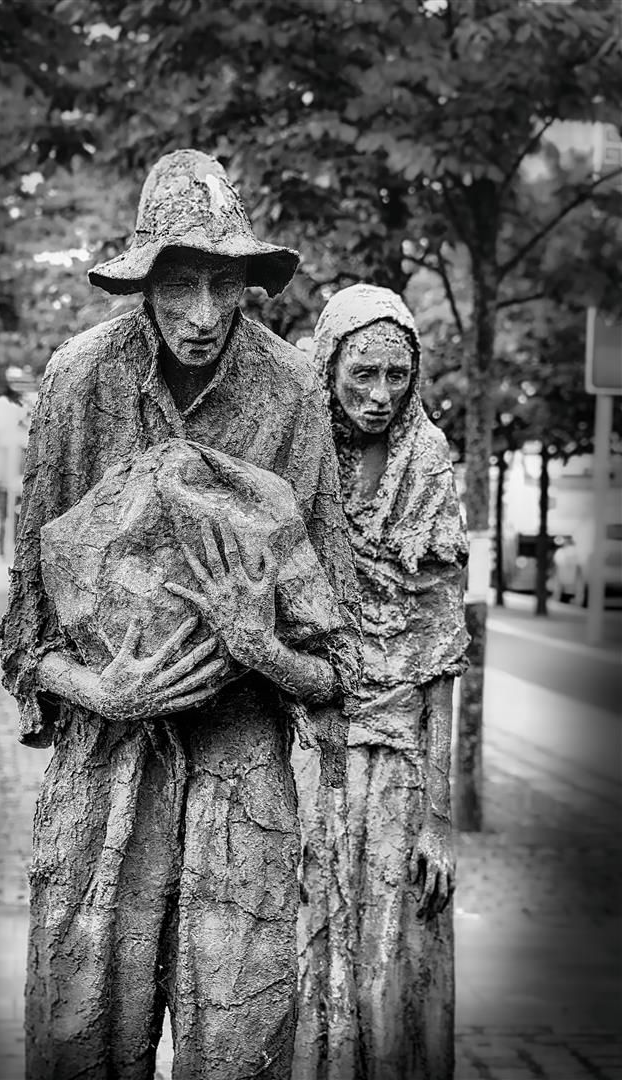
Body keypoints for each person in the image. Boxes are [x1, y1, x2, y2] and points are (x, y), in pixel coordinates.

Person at [0, 149, 360, 1080]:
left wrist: (259, 646)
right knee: (83, 1040)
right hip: (106, 757)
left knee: (239, 1046)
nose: (203, 314)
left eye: (224, 284)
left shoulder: (293, 393)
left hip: (242, 767)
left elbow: (336, 664)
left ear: (246, 286)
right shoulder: (81, 381)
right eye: (180, 283)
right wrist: (98, 688)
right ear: (145, 282)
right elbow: (24, 636)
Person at [297, 284, 469, 1080]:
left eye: (397, 376)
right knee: (305, 954)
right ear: (327, 364)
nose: (379, 395)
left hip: (397, 758)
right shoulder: (296, 453)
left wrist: (441, 820)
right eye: (362, 373)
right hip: (305, 744)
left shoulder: (428, 466)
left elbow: (440, 650)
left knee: (390, 967)